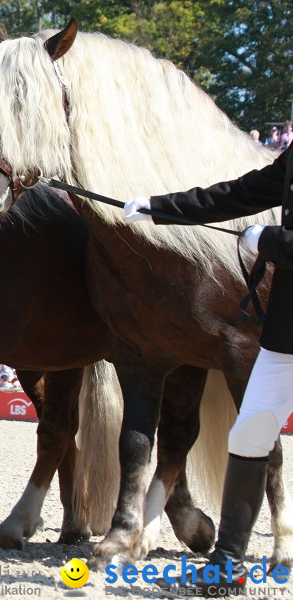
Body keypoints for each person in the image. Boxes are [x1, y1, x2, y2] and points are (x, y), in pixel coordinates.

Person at [124, 145, 292, 596]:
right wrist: (159, 208)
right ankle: (228, 567)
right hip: (288, 329)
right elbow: (239, 194)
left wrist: (268, 241)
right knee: (250, 434)